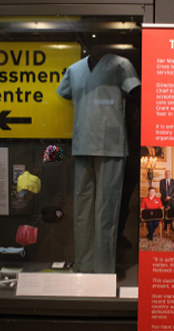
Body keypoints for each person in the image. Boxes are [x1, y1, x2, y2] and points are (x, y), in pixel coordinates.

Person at [57, 53, 141, 273]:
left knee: (87, 207)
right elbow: (135, 92)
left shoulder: (80, 69)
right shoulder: (118, 65)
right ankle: (99, 270)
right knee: (106, 208)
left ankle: (89, 268)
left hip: (90, 143)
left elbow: (63, 93)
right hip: (105, 144)